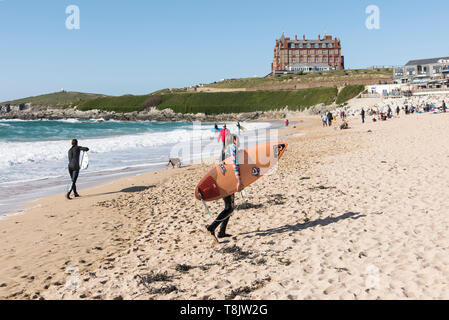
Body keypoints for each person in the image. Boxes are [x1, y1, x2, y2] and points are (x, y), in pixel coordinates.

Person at [206, 134, 242, 242]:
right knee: (229, 208)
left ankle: (222, 232)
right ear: (233, 140)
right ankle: (212, 227)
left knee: (229, 207)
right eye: (237, 139)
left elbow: (220, 167)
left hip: (222, 181)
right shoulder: (233, 148)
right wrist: (239, 181)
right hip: (229, 182)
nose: (238, 141)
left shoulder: (223, 150)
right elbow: (235, 165)